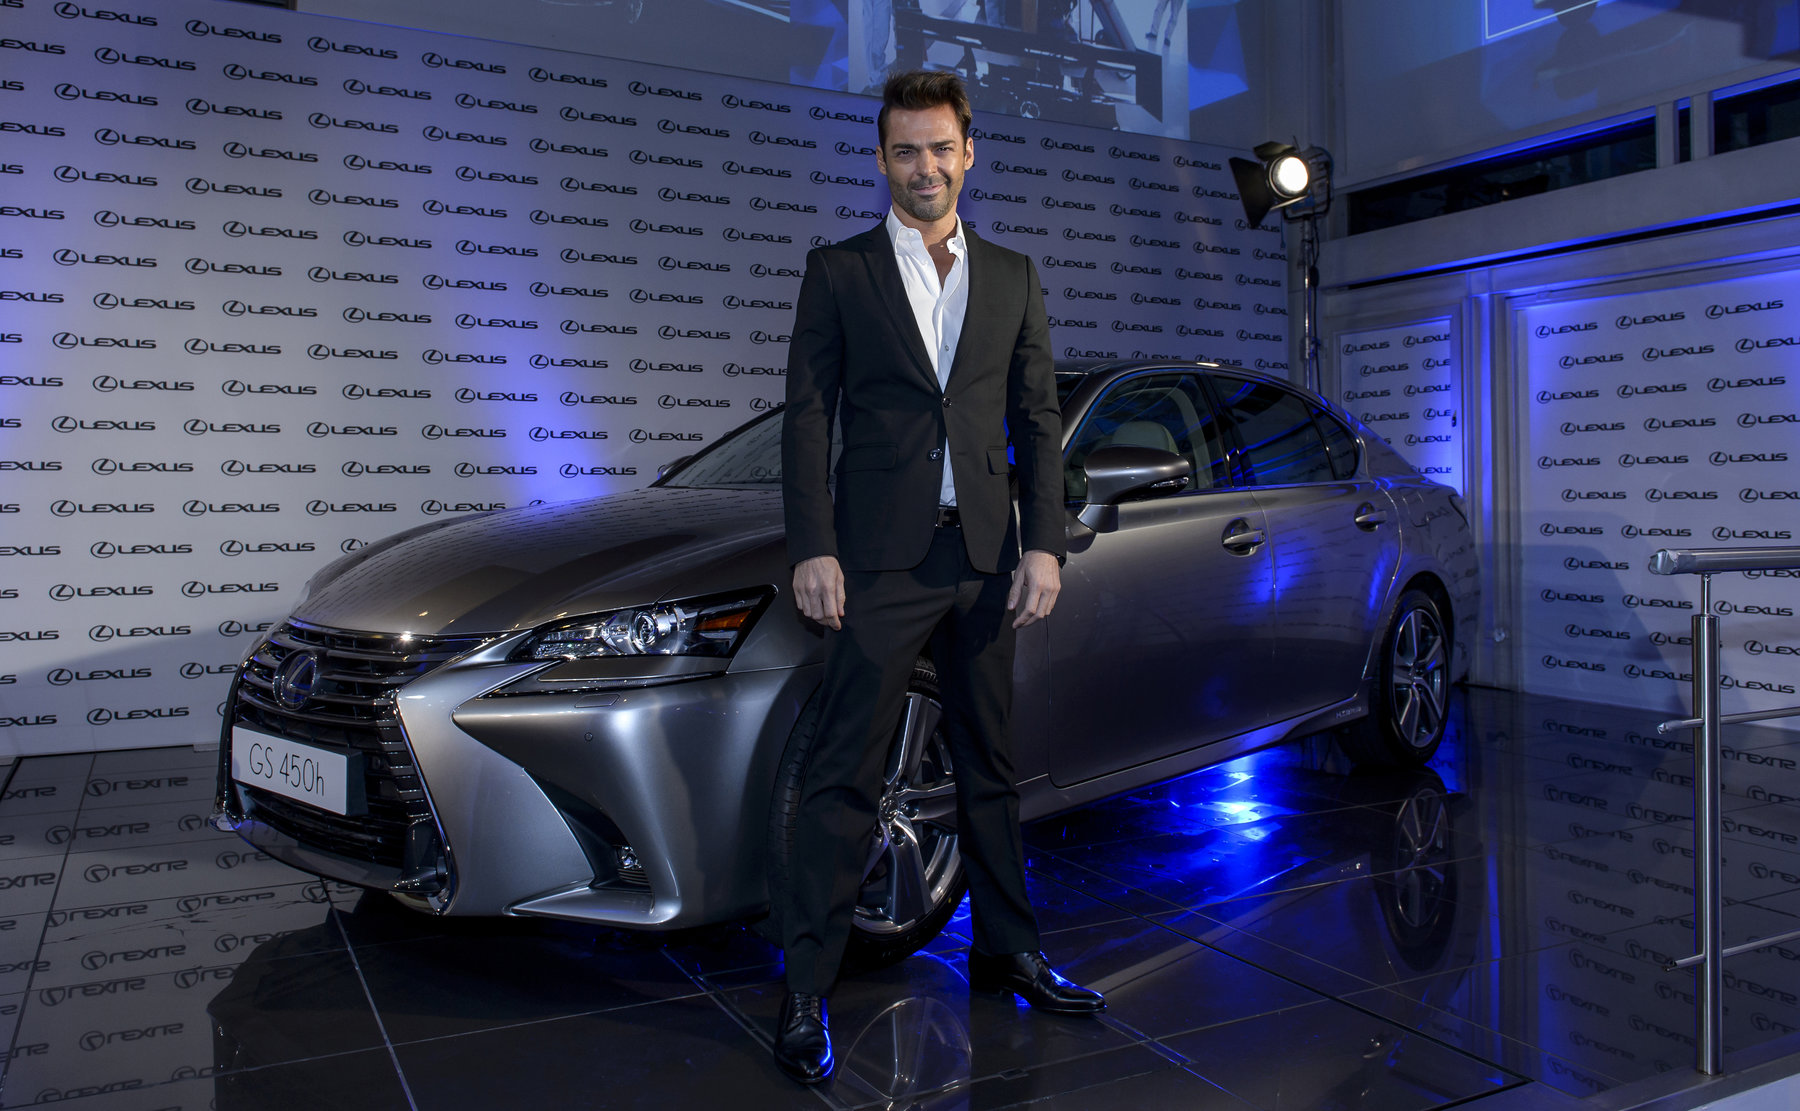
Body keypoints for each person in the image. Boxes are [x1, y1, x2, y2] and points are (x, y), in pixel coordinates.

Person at [776, 69, 1104, 1086]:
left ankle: (1009, 952)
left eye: (941, 148)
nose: (925, 167)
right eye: (906, 150)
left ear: (970, 153)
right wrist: (813, 544)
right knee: (844, 773)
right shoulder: (839, 270)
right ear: (882, 159)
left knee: (989, 765)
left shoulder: (1012, 274)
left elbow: (1038, 419)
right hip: (879, 561)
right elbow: (808, 416)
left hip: (986, 556)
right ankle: (804, 987)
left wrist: (1044, 544)